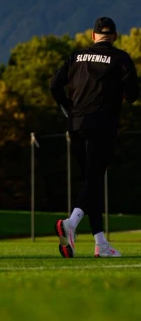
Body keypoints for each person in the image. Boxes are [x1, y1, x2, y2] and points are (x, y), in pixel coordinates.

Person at [50, 17, 138, 259]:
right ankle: (71, 223)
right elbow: (133, 95)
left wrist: (69, 109)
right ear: (115, 37)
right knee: (94, 180)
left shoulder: (76, 57)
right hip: (102, 126)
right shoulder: (120, 58)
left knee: (91, 183)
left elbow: (54, 85)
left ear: (93, 35)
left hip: (76, 125)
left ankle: (101, 243)